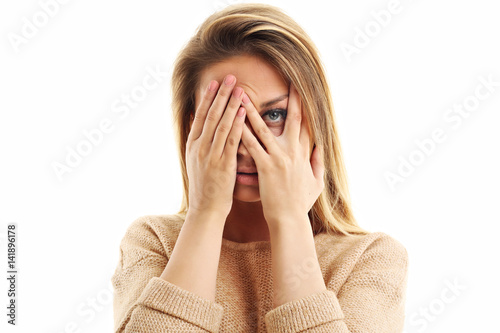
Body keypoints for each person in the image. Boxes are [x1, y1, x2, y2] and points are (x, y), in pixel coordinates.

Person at [111, 3, 408, 332]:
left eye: (273, 115)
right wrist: (206, 211)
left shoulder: (370, 259)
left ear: (314, 124)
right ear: (191, 126)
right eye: (223, 114)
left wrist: (289, 220)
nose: (246, 144)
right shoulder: (153, 242)